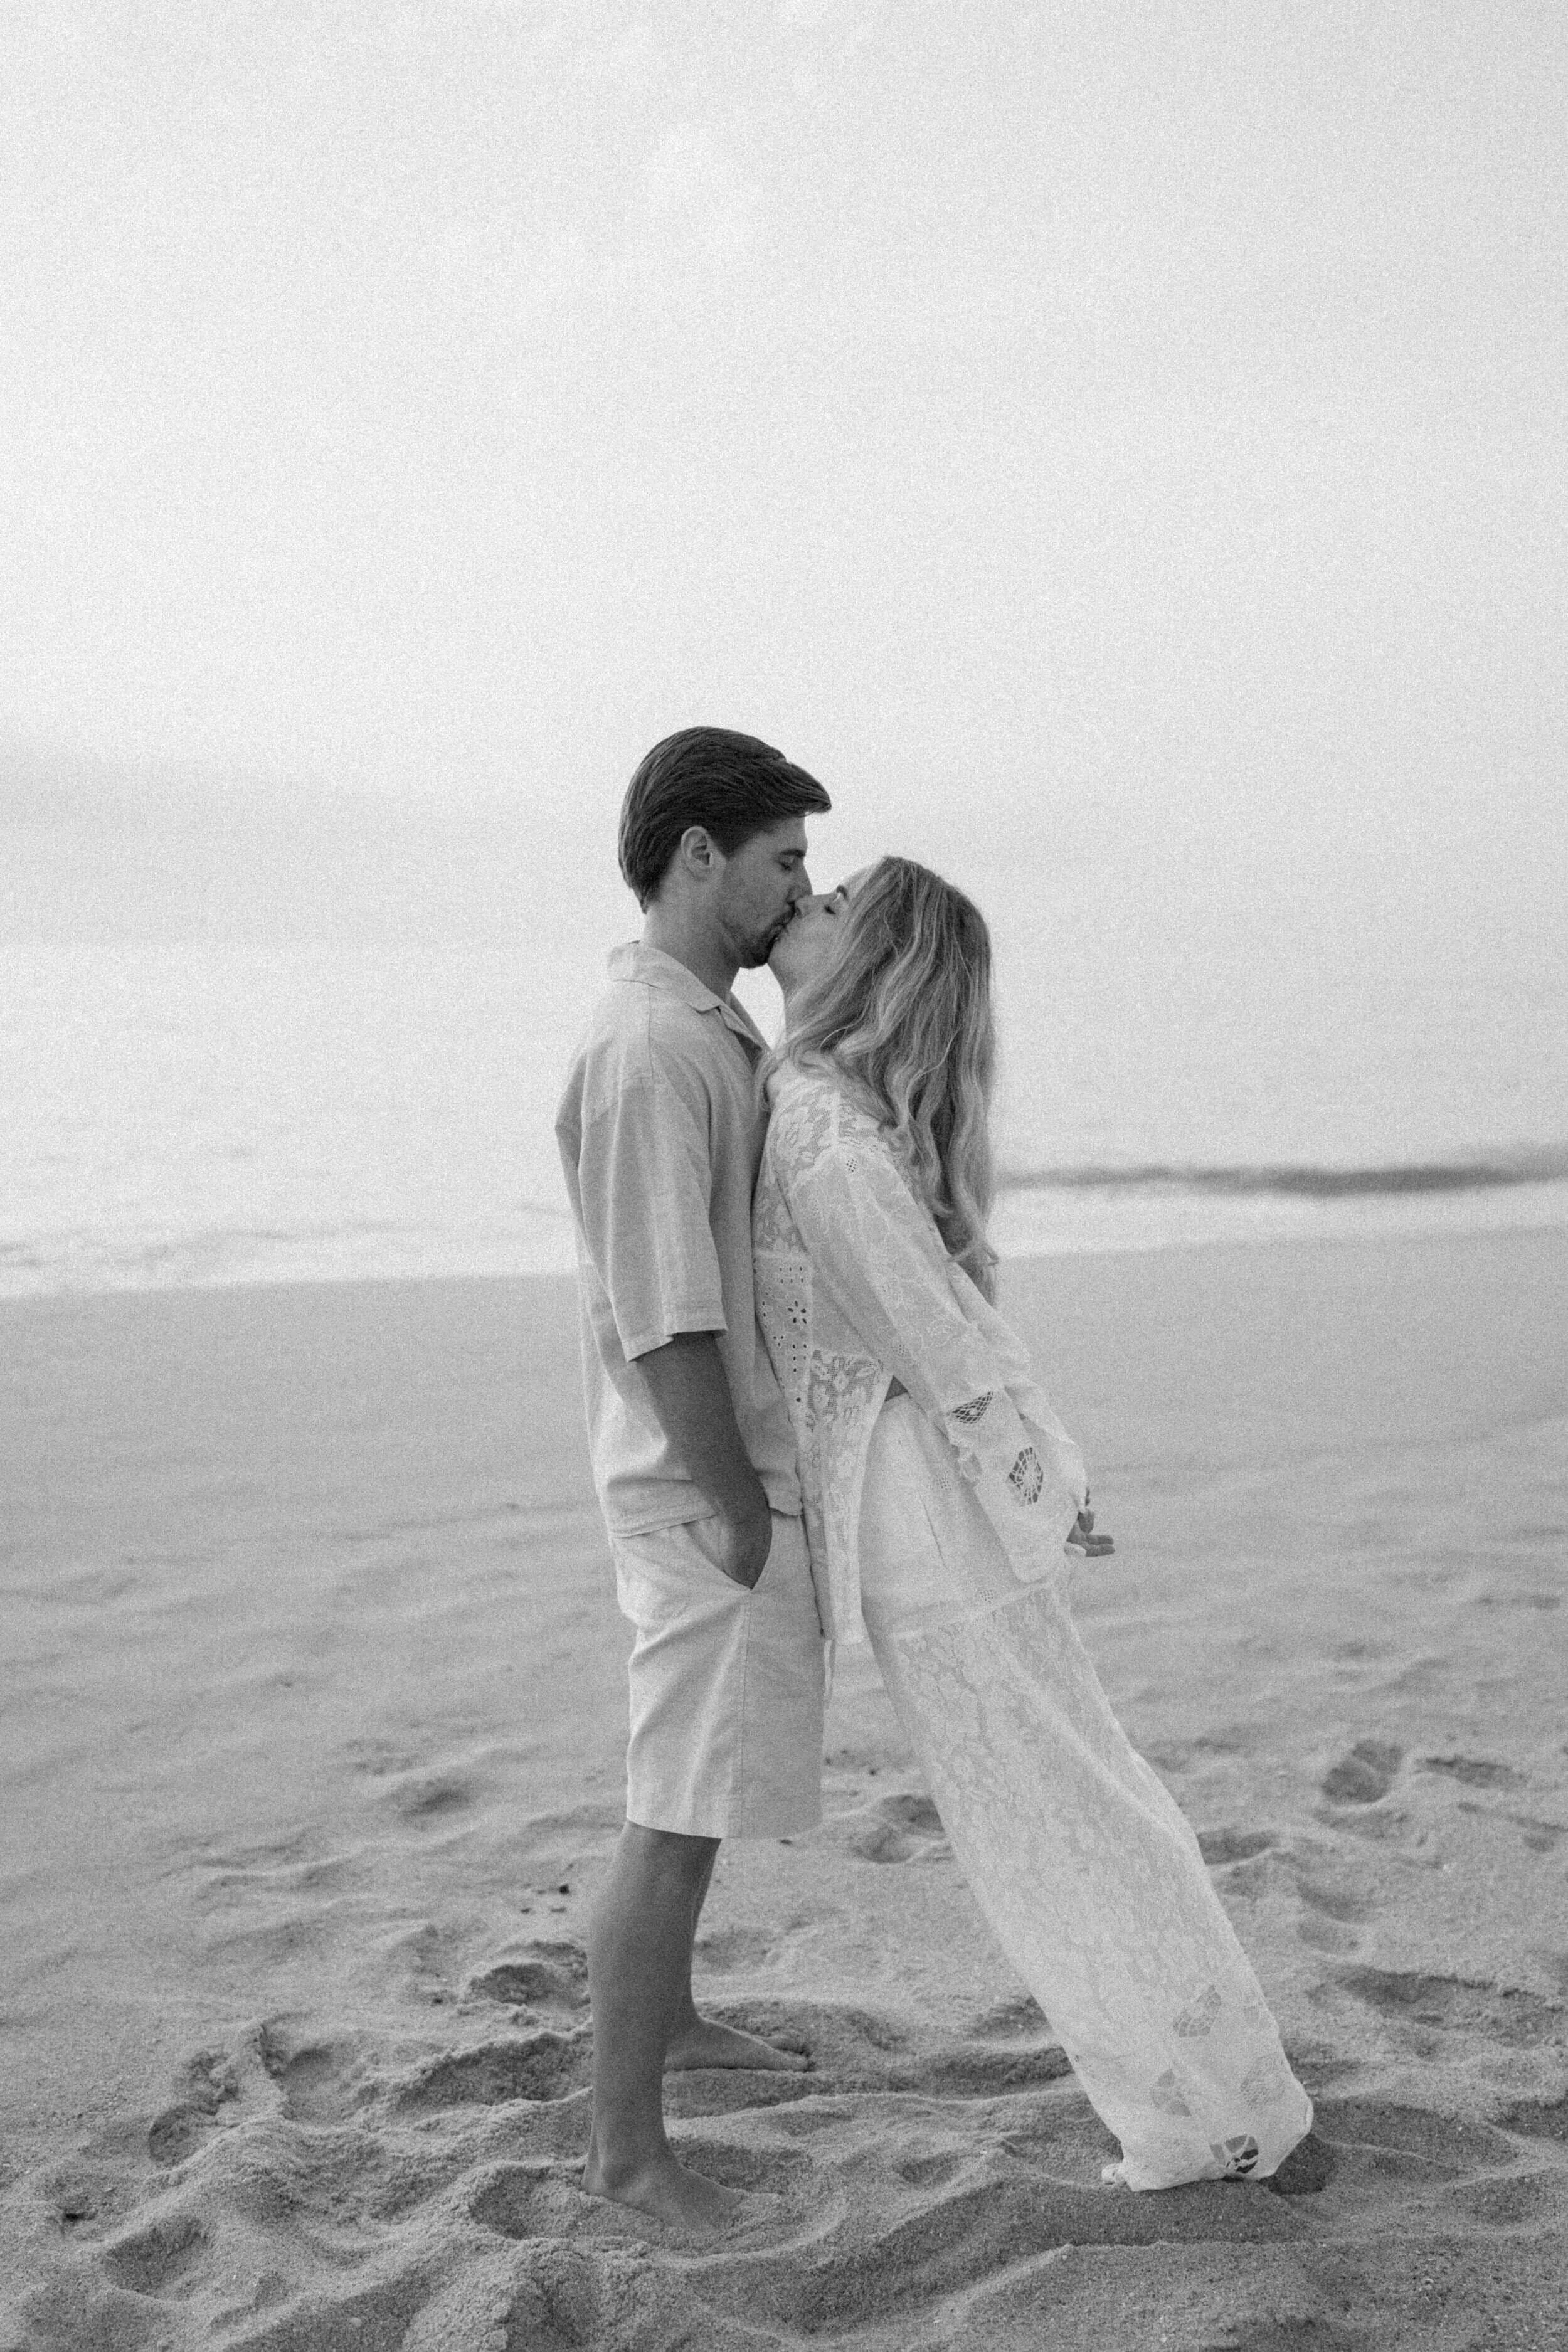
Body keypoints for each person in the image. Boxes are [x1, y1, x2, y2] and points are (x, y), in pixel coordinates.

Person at [755, 857, 1315, 2191]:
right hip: (922, 1511)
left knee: (1061, 1816)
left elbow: (943, 1346)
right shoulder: (824, 1115)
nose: (806, 906)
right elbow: (940, 1338)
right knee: (1070, 1803)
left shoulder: (821, 1125)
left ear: (872, 963)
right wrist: (1043, 1488)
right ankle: (1209, 2103)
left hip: (921, 1516)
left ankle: (1212, 2117)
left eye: (833, 903)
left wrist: (1039, 1489)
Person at [554, 726, 832, 2232]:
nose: (804, 889)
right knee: (666, 1811)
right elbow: (664, 1307)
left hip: (717, 1470)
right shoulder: (651, 1047)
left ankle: (671, 2025)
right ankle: (625, 2156)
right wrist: (731, 1500)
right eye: (783, 861)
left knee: (702, 1786)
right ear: (698, 854)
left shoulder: (701, 1023)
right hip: (691, 1484)